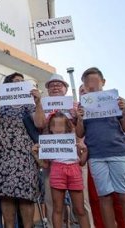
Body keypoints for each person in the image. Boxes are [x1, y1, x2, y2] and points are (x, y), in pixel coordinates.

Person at [75, 67, 125, 228]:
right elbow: (80, 133)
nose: (91, 86)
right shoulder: (84, 105)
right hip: (96, 156)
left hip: (117, 152)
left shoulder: (114, 101)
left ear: (103, 82)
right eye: (88, 83)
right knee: (104, 196)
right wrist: (80, 119)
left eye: (95, 81)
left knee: (124, 195)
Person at [0, 72, 44, 228]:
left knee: (26, 195)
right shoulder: (1, 102)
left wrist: (38, 103)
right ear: (8, 85)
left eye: (21, 82)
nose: (19, 84)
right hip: (1, 153)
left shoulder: (28, 103)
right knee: (6, 196)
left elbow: (39, 124)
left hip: (24, 154)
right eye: (15, 81)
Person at [45, 76, 96, 228]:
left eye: (59, 85)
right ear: (47, 90)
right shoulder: (43, 105)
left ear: (65, 89)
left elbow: (84, 128)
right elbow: (40, 124)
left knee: (82, 203)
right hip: (53, 160)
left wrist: (77, 117)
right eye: (52, 85)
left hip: (75, 159)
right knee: (53, 203)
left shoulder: (76, 105)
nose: (55, 87)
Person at [33, 113, 90, 228]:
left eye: (61, 125)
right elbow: (45, 165)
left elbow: (82, 162)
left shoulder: (73, 141)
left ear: (67, 127)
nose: (57, 129)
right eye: (54, 125)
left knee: (80, 209)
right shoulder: (48, 144)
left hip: (74, 172)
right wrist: (35, 154)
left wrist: (85, 151)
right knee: (57, 209)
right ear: (50, 128)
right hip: (56, 172)